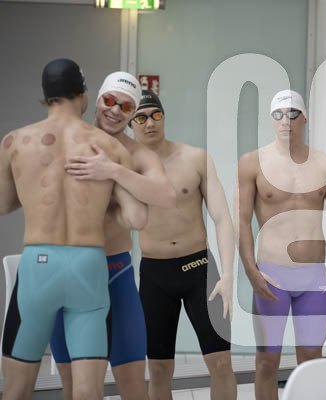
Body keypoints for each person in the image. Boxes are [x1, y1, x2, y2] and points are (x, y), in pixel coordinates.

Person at [0, 58, 147, 400]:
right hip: (89, 268)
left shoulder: (14, 142)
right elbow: (137, 218)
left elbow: (3, 204)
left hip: (38, 269)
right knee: (87, 392)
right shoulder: (110, 148)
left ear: (45, 96)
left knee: (17, 390)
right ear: (84, 97)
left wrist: (36, 190)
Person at [50, 72, 176, 400]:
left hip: (114, 272)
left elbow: (166, 195)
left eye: (126, 106)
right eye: (109, 101)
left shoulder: (138, 154)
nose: (115, 110)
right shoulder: (66, 141)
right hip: (68, 273)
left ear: (132, 113)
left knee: (134, 388)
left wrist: (113, 170)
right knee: (74, 390)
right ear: (97, 100)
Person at [236, 89, 326, 400]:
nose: (285, 121)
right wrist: (251, 271)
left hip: (313, 278)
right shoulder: (251, 163)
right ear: (271, 119)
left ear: (305, 119)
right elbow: (242, 222)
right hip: (271, 276)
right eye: (278, 115)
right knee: (267, 361)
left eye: (292, 114)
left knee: (311, 361)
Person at [131, 90, 237, 400]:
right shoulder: (127, 168)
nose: (150, 123)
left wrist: (228, 276)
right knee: (158, 370)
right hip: (155, 275)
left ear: (164, 117)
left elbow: (222, 219)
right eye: (141, 118)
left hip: (199, 269)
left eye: (156, 115)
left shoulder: (195, 158)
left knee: (221, 363)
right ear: (131, 124)